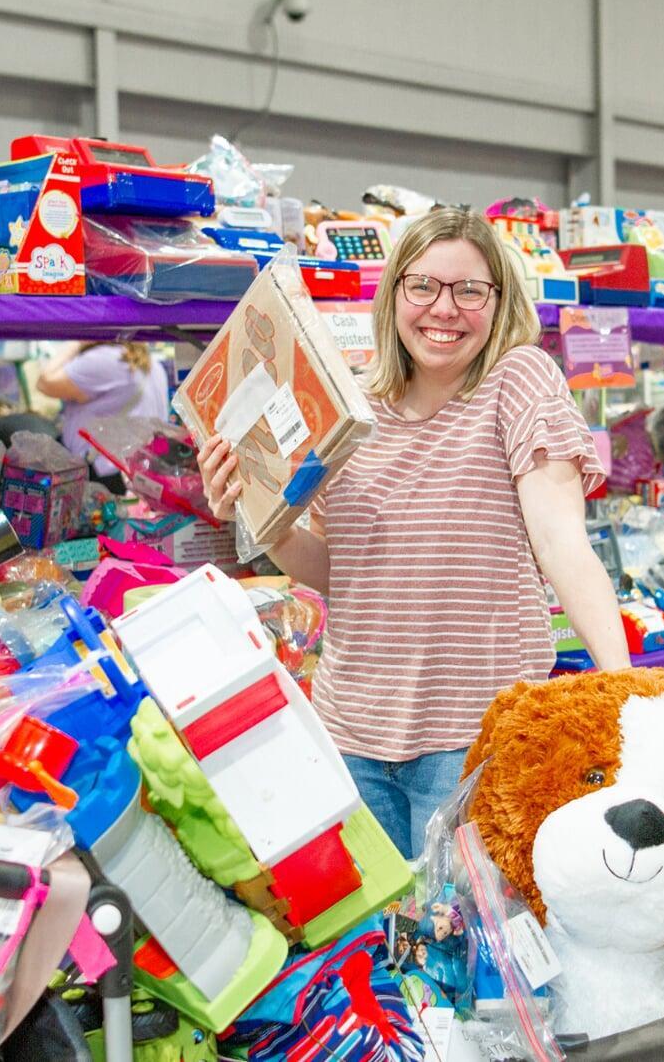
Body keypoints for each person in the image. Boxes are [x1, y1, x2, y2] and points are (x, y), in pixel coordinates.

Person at [198, 208, 629, 858]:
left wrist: (624, 684)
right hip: (350, 732)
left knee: (471, 945)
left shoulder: (518, 381)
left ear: (498, 301)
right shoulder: (349, 408)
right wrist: (252, 510)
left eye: (469, 290)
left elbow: (562, 542)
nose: (444, 309)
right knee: (377, 946)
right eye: (423, 286)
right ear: (394, 293)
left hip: (475, 738)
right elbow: (338, 573)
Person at [35, 341, 170, 490]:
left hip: (105, 474)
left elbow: (45, 382)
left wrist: (77, 343)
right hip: (141, 472)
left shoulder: (106, 359)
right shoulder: (153, 366)